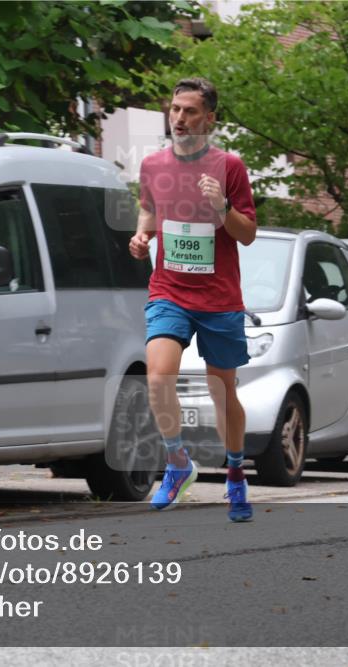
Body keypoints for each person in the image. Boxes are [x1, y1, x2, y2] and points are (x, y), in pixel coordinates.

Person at [128, 77, 258, 522]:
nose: (179, 118)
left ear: (209, 119)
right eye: (175, 109)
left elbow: (248, 234)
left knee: (223, 392)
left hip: (219, 298)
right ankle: (177, 462)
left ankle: (235, 474)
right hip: (169, 291)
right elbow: (149, 208)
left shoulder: (230, 167)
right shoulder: (153, 165)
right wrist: (142, 236)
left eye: (190, 111)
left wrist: (222, 207)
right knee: (158, 377)